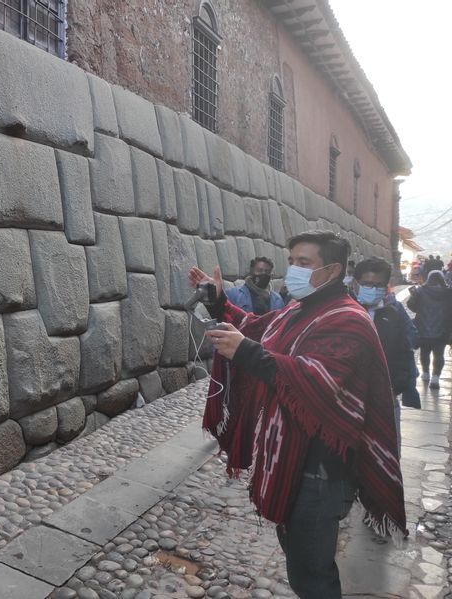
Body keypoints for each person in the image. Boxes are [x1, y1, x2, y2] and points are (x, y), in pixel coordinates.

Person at [190, 230, 406, 599]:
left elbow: (317, 379)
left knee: (312, 577)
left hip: (320, 473)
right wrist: (219, 301)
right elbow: (258, 328)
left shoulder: (349, 319)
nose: (293, 270)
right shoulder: (301, 309)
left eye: (304, 263)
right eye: (292, 262)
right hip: (294, 463)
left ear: (332, 269)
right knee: (301, 561)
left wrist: (246, 353)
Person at [351, 257, 417, 445]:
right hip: (349, 398)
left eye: (378, 285)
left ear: (385, 286)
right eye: (367, 284)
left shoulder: (392, 314)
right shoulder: (342, 312)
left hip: (385, 399)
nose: (372, 289)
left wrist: (397, 386)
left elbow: (404, 353)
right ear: (355, 284)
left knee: (388, 450)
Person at [407, 270, 452, 389]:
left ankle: (426, 373)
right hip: (442, 329)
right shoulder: (449, 292)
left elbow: (411, 305)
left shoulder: (421, 290)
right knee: (439, 354)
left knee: (424, 351)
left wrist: (414, 296)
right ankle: (436, 377)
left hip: (423, 327)